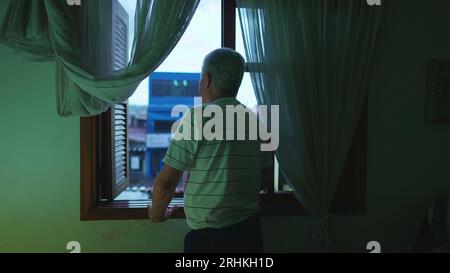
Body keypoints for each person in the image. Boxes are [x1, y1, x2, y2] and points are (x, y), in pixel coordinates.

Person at [147, 48, 273, 253]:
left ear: (206, 79)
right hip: (250, 235)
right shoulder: (257, 122)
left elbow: (168, 179)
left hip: (208, 242)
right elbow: (265, 180)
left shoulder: (196, 118)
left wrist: (157, 214)